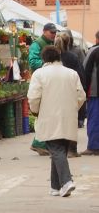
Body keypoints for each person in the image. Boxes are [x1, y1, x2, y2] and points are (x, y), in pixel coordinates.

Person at [27, 45, 86, 196]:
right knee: (60, 151)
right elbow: (81, 96)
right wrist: (73, 108)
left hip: (48, 118)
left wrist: (35, 111)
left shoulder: (39, 74)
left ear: (44, 59)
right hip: (68, 118)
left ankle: (66, 181)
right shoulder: (72, 74)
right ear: (59, 56)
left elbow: (33, 97)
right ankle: (55, 186)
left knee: (56, 150)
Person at [29, 23, 59, 155]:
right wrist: (48, 64)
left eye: (54, 32)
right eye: (51, 32)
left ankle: (42, 143)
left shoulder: (55, 43)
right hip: (41, 81)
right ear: (44, 31)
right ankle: (39, 143)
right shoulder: (37, 44)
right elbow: (33, 61)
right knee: (42, 114)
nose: (53, 34)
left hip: (51, 81)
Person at [56, 31, 87, 137]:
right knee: (69, 122)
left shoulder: (51, 55)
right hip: (69, 92)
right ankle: (70, 148)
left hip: (55, 91)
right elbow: (80, 75)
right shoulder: (72, 56)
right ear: (69, 41)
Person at [84, 31, 99, 155]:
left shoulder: (93, 51)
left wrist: (84, 90)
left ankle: (94, 146)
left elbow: (85, 70)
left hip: (95, 92)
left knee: (94, 119)